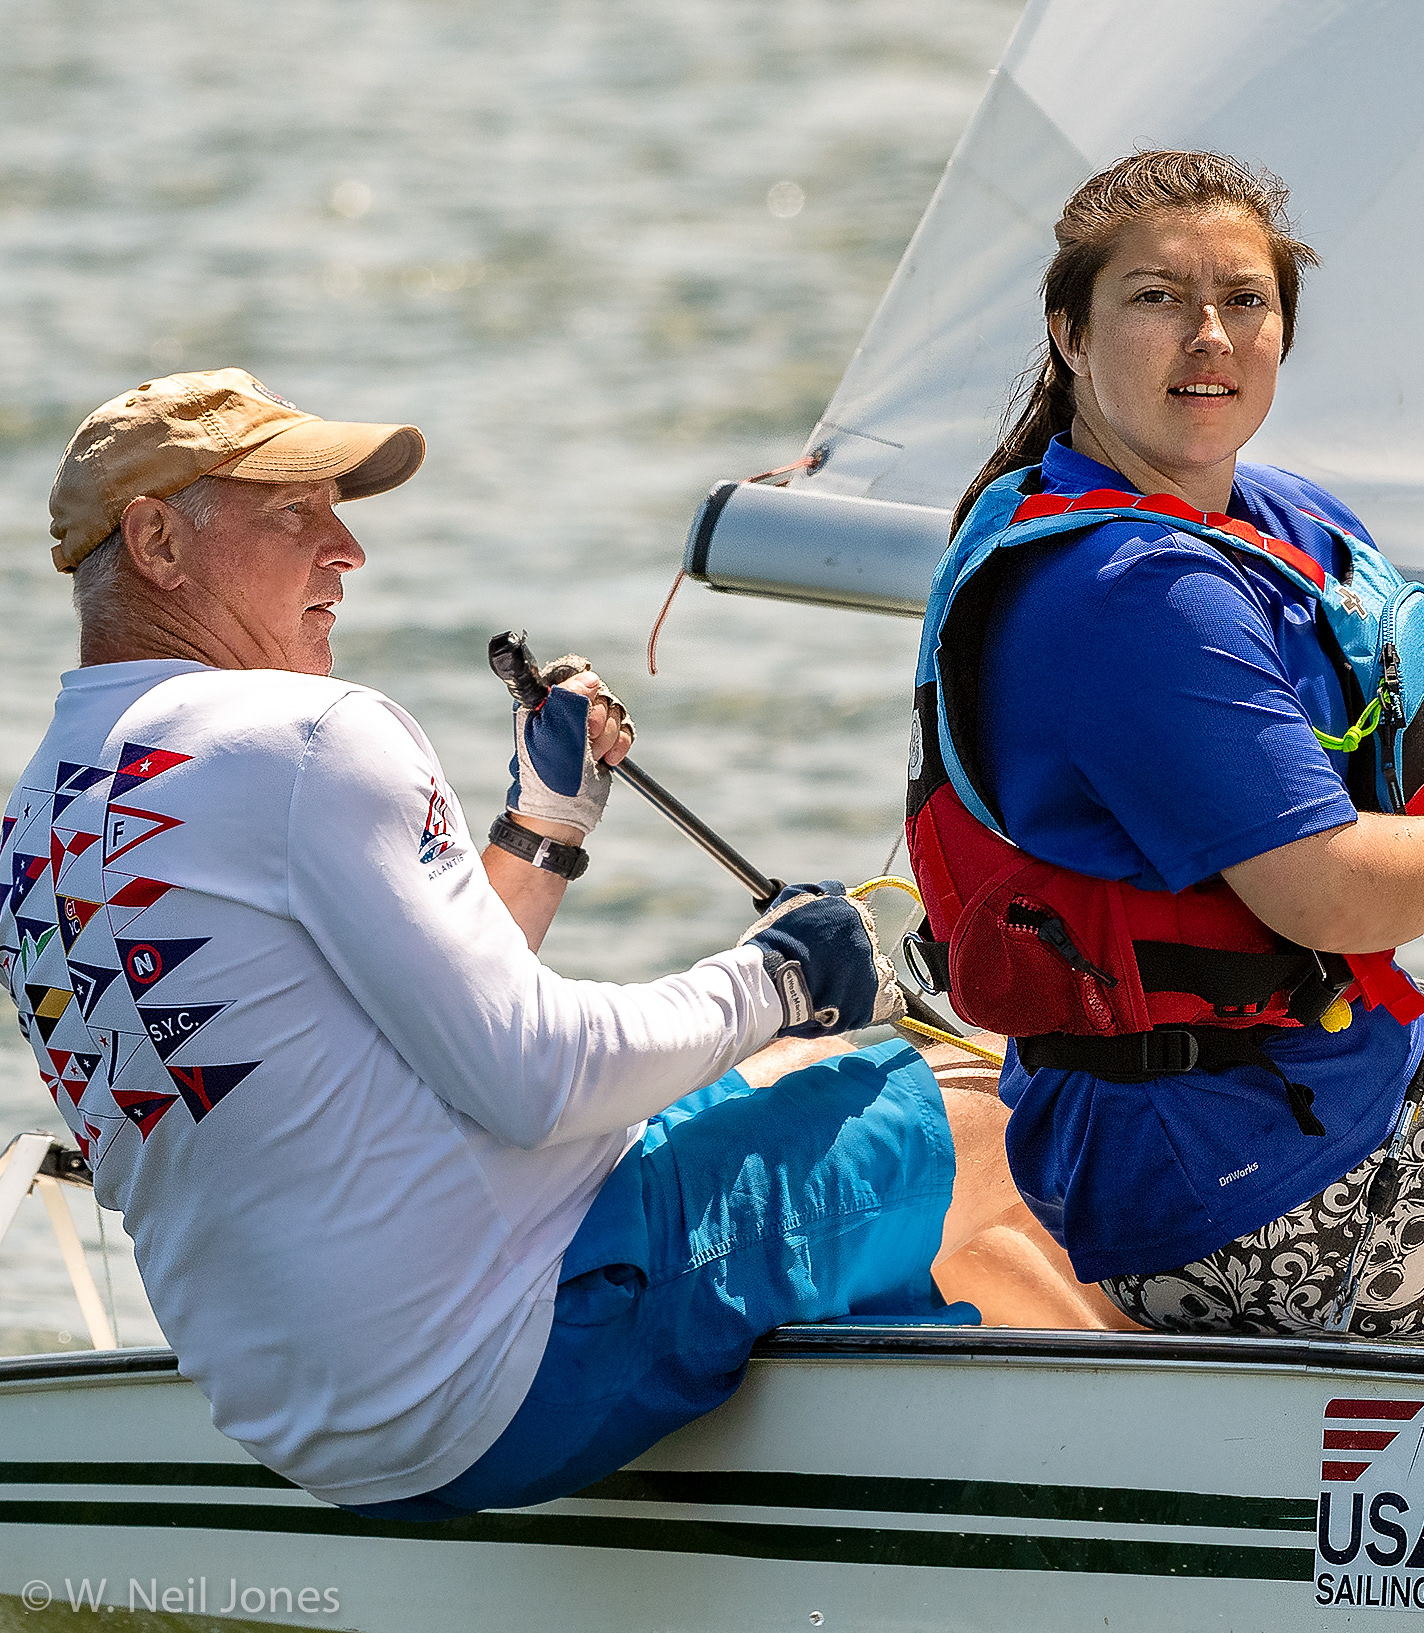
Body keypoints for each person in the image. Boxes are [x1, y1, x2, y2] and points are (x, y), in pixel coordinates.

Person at [0, 368, 1102, 1522]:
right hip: (516, 1373)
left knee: (788, 1080)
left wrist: (544, 827)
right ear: (158, 540)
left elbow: (430, 1037)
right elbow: (535, 1078)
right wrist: (779, 973)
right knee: (990, 1101)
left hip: (318, 1427)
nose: (347, 550)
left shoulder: (39, 814)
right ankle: (1126, 1462)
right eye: (294, 513)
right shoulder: (312, 737)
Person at [907, 150, 1424, 1346]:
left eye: (1243, 300)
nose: (1209, 335)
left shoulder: (1290, 527)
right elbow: (1328, 892)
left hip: (1342, 1068)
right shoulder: (1131, 597)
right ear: (1068, 337)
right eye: (1155, 298)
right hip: (1211, 1171)